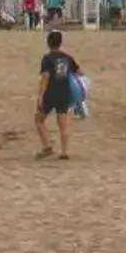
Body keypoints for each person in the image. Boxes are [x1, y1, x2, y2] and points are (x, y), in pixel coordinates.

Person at [34, 29, 82, 160]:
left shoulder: (47, 58)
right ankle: (64, 152)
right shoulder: (67, 57)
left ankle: (47, 145)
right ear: (60, 42)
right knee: (63, 124)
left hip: (50, 93)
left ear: (48, 42)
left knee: (39, 120)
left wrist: (40, 95)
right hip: (64, 93)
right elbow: (80, 72)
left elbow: (45, 77)